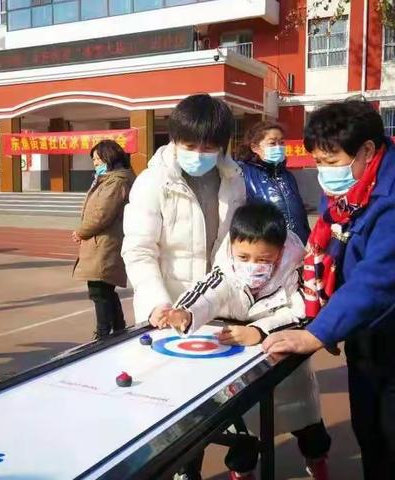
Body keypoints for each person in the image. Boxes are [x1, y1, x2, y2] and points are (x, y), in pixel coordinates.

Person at [262, 100, 395, 480]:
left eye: (331, 160)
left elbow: (378, 278)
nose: (324, 172)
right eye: (318, 160)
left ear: (367, 151)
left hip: (387, 321)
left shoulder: (389, 197)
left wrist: (316, 333)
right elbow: (332, 241)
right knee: (368, 431)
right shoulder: (349, 187)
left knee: (390, 434)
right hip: (362, 328)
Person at [122, 93, 246, 479]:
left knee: (219, 397)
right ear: (173, 139)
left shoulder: (233, 179)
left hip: (219, 305)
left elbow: (233, 247)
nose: (199, 153)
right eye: (189, 145)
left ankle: (230, 459)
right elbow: (139, 251)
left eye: (209, 146)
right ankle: (181, 469)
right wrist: (158, 303)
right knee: (171, 406)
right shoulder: (152, 183)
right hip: (167, 312)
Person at [167, 202, 330, 480]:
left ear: (280, 253)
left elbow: (304, 310)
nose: (252, 266)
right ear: (232, 246)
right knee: (243, 429)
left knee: (307, 423)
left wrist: (259, 331)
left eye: (264, 260)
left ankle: (316, 460)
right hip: (240, 363)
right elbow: (208, 291)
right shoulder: (228, 269)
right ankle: (242, 471)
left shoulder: (297, 268)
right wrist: (184, 311)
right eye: (243, 256)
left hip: (285, 358)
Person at [73, 140, 135, 339]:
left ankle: (104, 334)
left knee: (100, 290)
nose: (95, 164)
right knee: (104, 290)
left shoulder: (116, 182)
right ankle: (118, 330)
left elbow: (102, 213)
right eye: (93, 160)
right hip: (101, 243)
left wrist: (81, 231)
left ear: (111, 158)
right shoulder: (110, 179)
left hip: (106, 244)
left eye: (98, 159)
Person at [237, 121, 310, 244]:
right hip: (265, 247)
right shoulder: (243, 173)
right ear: (255, 147)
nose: (279, 147)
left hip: (298, 246)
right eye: (272, 143)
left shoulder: (288, 176)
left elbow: (301, 214)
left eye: (281, 142)